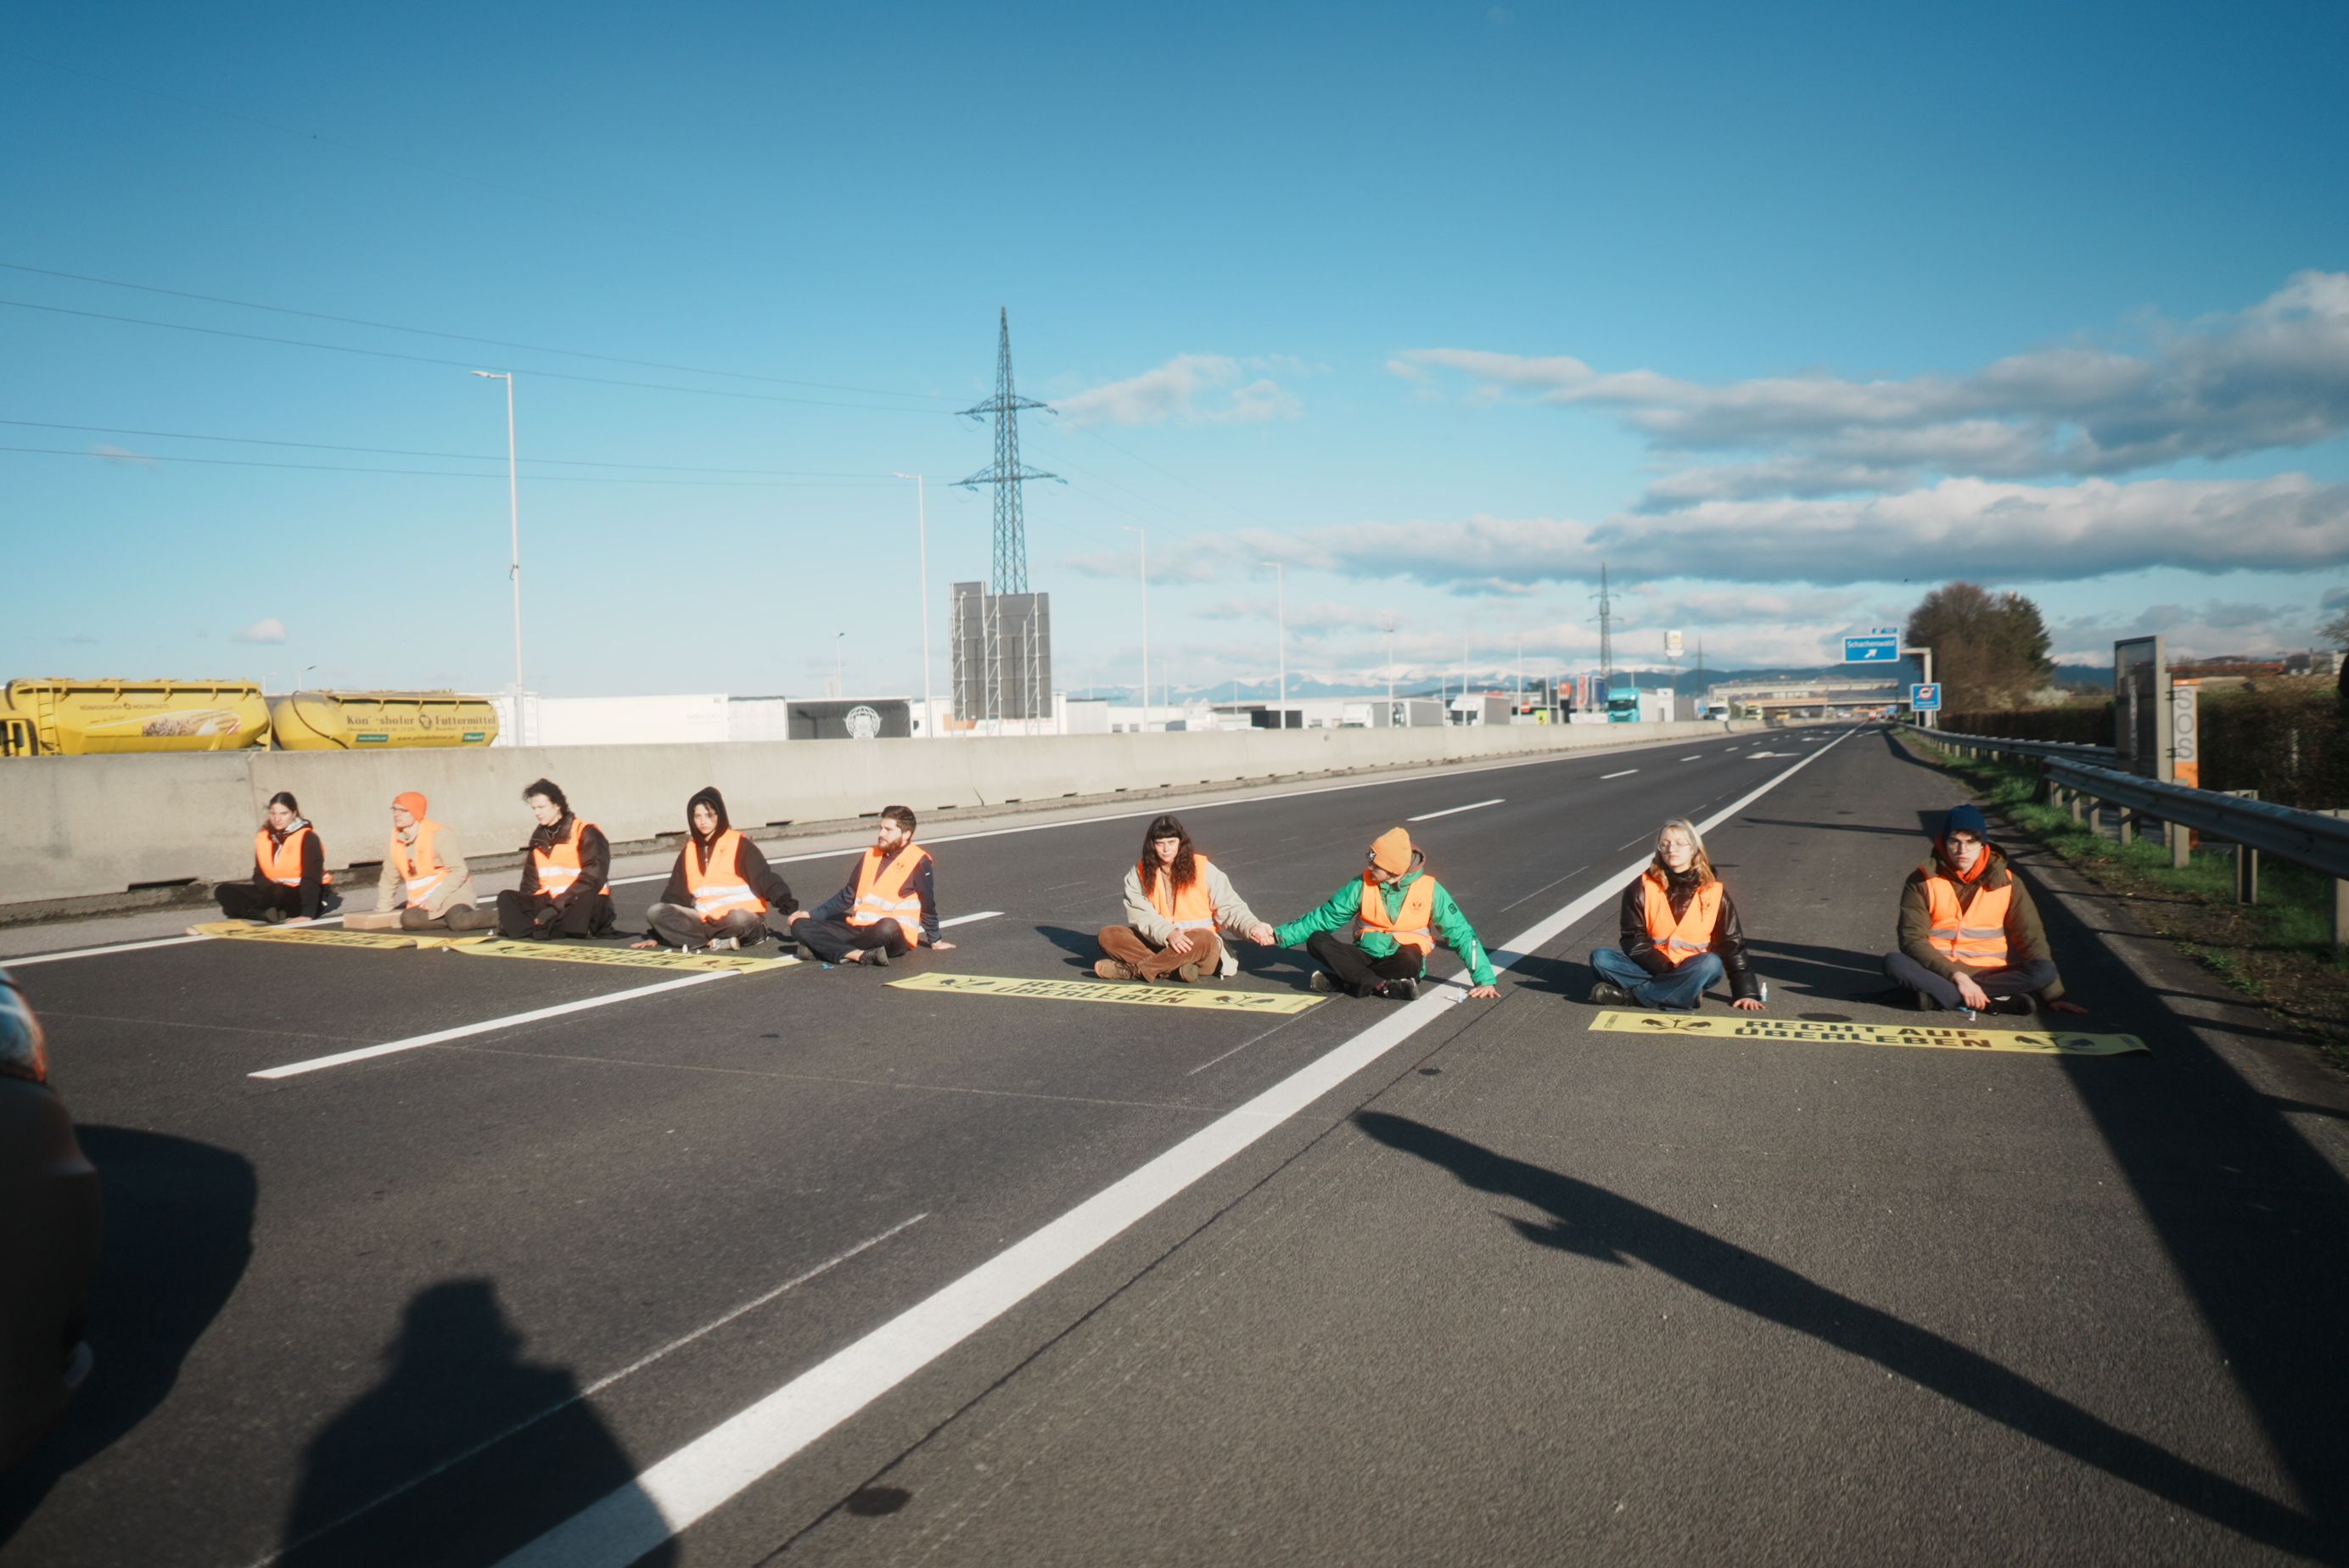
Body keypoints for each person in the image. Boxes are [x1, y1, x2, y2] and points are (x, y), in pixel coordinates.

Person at [1881, 803, 2088, 1016]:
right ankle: (1991, 1002)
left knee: (2044, 971)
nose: (1962, 850)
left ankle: (1942, 997)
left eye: (1971, 842)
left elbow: (2031, 937)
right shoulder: (1922, 880)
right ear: (1943, 842)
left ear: (1984, 844)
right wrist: (1958, 977)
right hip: (1938, 970)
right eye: (1955, 842)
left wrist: (2054, 996)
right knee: (1894, 962)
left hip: (1990, 972)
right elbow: (1912, 940)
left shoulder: (2009, 882)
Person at [1254, 826, 1500, 1000]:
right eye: (1369, 860)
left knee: (1411, 959)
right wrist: (1279, 936)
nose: (1369, 868)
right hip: (1364, 954)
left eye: (1375, 865)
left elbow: (1462, 934)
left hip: (1400, 959)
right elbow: (1325, 917)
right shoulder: (1362, 883)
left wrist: (1484, 980)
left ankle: (1345, 982)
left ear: (1394, 870)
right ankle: (1383, 986)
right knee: (1317, 940)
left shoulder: (1431, 889)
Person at [1587, 818, 1764, 1012]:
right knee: (1601, 958)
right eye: (1665, 844)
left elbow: (1732, 943)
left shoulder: (1714, 891)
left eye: (1680, 844)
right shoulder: (1640, 888)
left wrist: (1746, 992)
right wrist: (1668, 970)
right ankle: (1681, 992)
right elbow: (1633, 941)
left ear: (1694, 849)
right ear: (1659, 851)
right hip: (1652, 966)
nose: (1672, 849)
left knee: (1710, 964)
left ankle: (1631, 998)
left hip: (1695, 969)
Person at [1096, 815, 1267, 983]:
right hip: (1161, 942)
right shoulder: (1138, 873)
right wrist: (1168, 933)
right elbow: (1141, 914)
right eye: (1160, 844)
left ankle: (1137, 970)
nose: (1166, 849)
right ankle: (1173, 969)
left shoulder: (1203, 869)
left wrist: (1251, 926)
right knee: (1108, 935)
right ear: (1151, 845)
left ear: (1180, 842)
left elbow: (1230, 907)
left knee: (1205, 938)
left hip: (1197, 948)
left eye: (1171, 843)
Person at [788, 805, 956, 966]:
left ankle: (823, 949)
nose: (881, 834)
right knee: (799, 924)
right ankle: (855, 955)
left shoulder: (919, 860)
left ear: (906, 834)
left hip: (893, 934)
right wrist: (812, 915)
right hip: (860, 929)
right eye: (881, 828)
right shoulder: (871, 854)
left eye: (888, 830)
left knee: (887, 927)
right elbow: (848, 894)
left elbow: (927, 903)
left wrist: (935, 940)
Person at [632, 787, 796, 952]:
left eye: (709, 815)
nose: (703, 822)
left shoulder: (738, 843)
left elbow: (764, 877)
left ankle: (753, 933)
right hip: (705, 920)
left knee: (740, 920)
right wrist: (657, 934)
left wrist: (784, 900)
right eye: (697, 816)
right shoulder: (689, 851)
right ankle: (716, 940)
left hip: (739, 917)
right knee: (655, 912)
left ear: (719, 816)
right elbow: (674, 895)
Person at [345, 792, 491, 931]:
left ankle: (500, 917)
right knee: (408, 920)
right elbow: (389, 878)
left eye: (403, 811)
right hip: (423, 901)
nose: (397, 814)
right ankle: (448, 919)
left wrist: (435, 900)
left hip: (452, 894)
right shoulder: (394, 839)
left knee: (460, 922)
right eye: (394, 809)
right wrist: (383, 908)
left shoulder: (439, 834)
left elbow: (459, 871)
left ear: (416, 812)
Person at [496, 778, 616, 941]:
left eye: (541, 807)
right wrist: (528, 909)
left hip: (578, 899)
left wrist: (556, 907)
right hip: (550, 900)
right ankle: (544, 927)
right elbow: (530, 882)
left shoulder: (586, 831)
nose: (537, 813)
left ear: (557, 805)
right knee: (506, 898)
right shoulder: (539, 838)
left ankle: (545, 927)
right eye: (534, 808)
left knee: (586, 900)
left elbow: (593, 877)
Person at [214, 791, 340, 924]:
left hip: (301, 896)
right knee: (223, 891)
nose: (277, 819)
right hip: (274, 893)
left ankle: (245, 911)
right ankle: (263, 914)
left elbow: (311, 877)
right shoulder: (264, 837)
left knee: (274, 893)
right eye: (273, 813)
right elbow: (258, 875)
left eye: (283, 814)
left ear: (294, 814)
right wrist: (271, 891)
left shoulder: (308, 837)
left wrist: (307, 914)